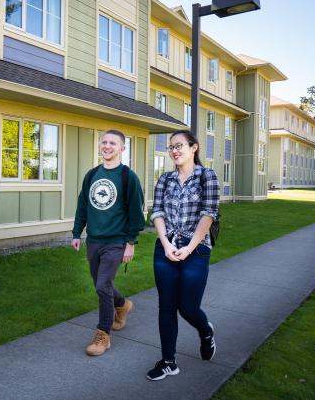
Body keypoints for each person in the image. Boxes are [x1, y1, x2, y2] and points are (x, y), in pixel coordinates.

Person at [146, 129, 219, 381]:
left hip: (196, 248)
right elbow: (156, 213)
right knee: (166, 306)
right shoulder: (165, 179)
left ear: (194, 147)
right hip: (166, 247)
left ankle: (205, 330)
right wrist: (166, 244)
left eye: (179, 145)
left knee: (187, 307)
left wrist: (188, 248)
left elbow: (209, 214)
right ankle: (168, 361)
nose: (174, 150)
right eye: (171, 147)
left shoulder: (206, 177)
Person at [71, 129, 146, 356]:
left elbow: (136, 214)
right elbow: (83, 205)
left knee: (103, 285)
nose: (107, 146)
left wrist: (130, 243)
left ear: (122, 148)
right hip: (94, 240)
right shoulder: (92, 175)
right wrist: (77, 233)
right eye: (104, 142)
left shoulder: (127, 177)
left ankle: (103, 334)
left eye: (113, 143)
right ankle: (122, 305)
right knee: (101, 284)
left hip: (116, 241)